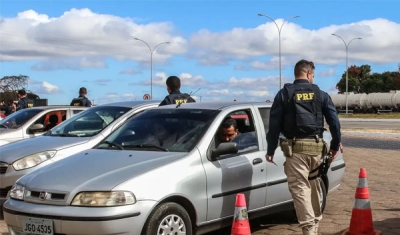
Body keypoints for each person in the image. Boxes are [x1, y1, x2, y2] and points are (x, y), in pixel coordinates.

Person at [265, 59, 341, 235]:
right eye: (313, 76)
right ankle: (314, 225)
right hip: (316, 149)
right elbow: (334, 122)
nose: (312, 79)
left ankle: (309, 229)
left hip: (296, 150)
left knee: (300, 189)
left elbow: (274, 126)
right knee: (314, 185)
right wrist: (335, 145)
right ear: (308, 74)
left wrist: (270, 150)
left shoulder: (284, 94)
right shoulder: (321, 95)